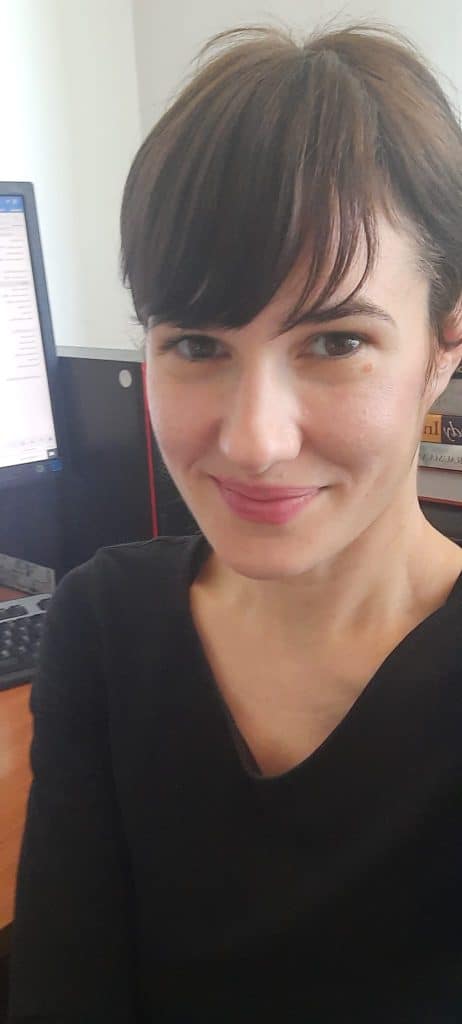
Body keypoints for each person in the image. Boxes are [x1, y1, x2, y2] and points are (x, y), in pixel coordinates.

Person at [8, 19, 462, 1023]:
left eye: (336, 339)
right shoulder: (104, 628)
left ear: (444, 344)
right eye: (198, 345)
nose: (254, 440)